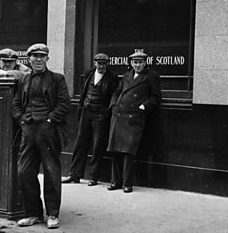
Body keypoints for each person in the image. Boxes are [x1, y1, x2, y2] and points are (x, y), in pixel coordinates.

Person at [12, 43, 71, 229]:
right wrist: (21, 120)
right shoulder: (24, 79)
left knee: (51, 172)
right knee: (24, 171)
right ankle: (33, 214)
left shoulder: (57, 79)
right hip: (28, 130)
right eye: (34, 56)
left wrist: (50, 121)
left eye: (42, 56)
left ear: (47, 59)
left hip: (48, 130)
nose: (38, 60)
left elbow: (64, 104)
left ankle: (53, 214)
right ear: (28, 59)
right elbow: (15, 103)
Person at [107, 50, 161, 193]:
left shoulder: (152, 76)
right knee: (115, 150)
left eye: (140, 62)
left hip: (134, 118)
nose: (137, 65)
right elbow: (117, 91)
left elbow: (156, 97)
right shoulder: (127, 75)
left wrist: (143, 107)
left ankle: (127, 183)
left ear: (145, 63)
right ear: (131, 63)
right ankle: (115, 181)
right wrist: (113, 105)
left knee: (128, 151)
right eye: (135, 62)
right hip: (119, 115)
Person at [62, 53, 118, 186]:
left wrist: (106, 112)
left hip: (100, 115)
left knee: (97, 146)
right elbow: (83, 91)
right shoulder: (89, 74)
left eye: (104, 64)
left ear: (107, 64)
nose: (101, 66)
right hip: (86, 113)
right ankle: (74, 174)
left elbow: (114, 96)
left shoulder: (112, 78)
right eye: (99, 63)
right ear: (95, 63)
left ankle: (93, 177)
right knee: (80, 144)